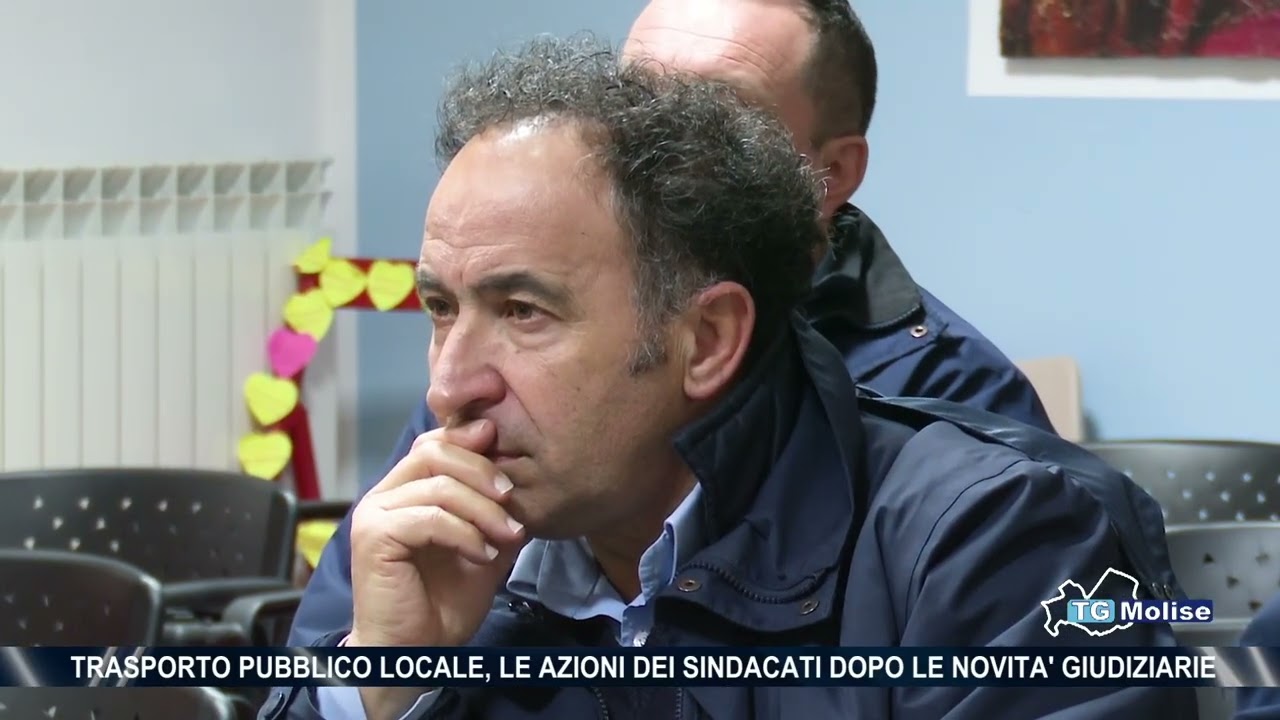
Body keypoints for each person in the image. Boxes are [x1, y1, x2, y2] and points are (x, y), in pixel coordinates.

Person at [260, 34, 1192, 720]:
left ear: (706, 340)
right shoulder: (449, 520)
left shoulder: (994, 538)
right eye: (440, 308)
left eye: (524, 312)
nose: (449, 385)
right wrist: (383, 685)